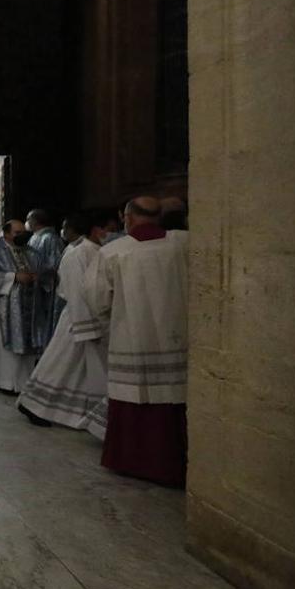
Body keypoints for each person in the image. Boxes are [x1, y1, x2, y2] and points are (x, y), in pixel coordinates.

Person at [86, 196, 190, 487]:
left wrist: (112, 321)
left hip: (131, 335)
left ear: (127, 218)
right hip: (178, 337)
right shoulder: (184, 244)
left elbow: (97, 299)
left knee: (135, 400)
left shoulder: (114, 252)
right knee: (173, 402)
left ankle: (132, 460)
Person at [17, 210, 109, 434]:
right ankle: (33, 405)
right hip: (79, 318)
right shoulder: (78, 253)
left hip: (90, 317)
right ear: (96, 230)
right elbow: (78, 290)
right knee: (58, 363)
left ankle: (76, 411)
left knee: (75, 369)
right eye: (107, 229)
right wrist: (87, 325)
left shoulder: (94, 251)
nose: (110, 234)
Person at [0, 219, 38, 395]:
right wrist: (14, 277)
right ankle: (7, 383)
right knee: (7, 348)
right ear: (7, 233)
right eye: (17, 233)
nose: (21, 236)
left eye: (22, 232)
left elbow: (41, 268)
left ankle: (24, 382)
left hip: (27, 305)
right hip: (4, 308)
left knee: (26, 347)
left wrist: (36, 276)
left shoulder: (29, 252)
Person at [27, 208, 67, 347]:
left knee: (47, 319)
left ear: (35, 221)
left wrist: (38, 274)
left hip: (46, 288)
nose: (27, 223)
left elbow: (55, 263)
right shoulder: (34, 237)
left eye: (29, 219)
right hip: (34, 285)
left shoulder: (50, 238)